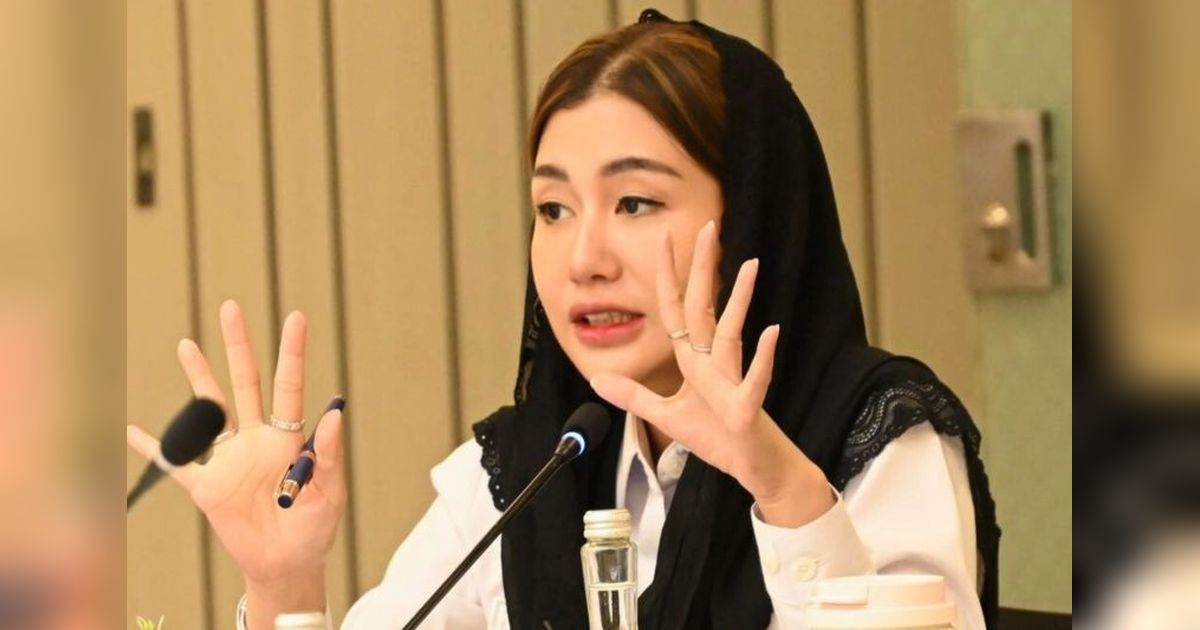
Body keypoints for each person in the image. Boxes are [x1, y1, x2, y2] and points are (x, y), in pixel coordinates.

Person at [126, 10, 998, 629]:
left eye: (635, 202)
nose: (583, 258)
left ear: (751, 221)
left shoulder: (879, 439)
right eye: (553, 209)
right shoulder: (533, 464)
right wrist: (285, 583)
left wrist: (781, 486)